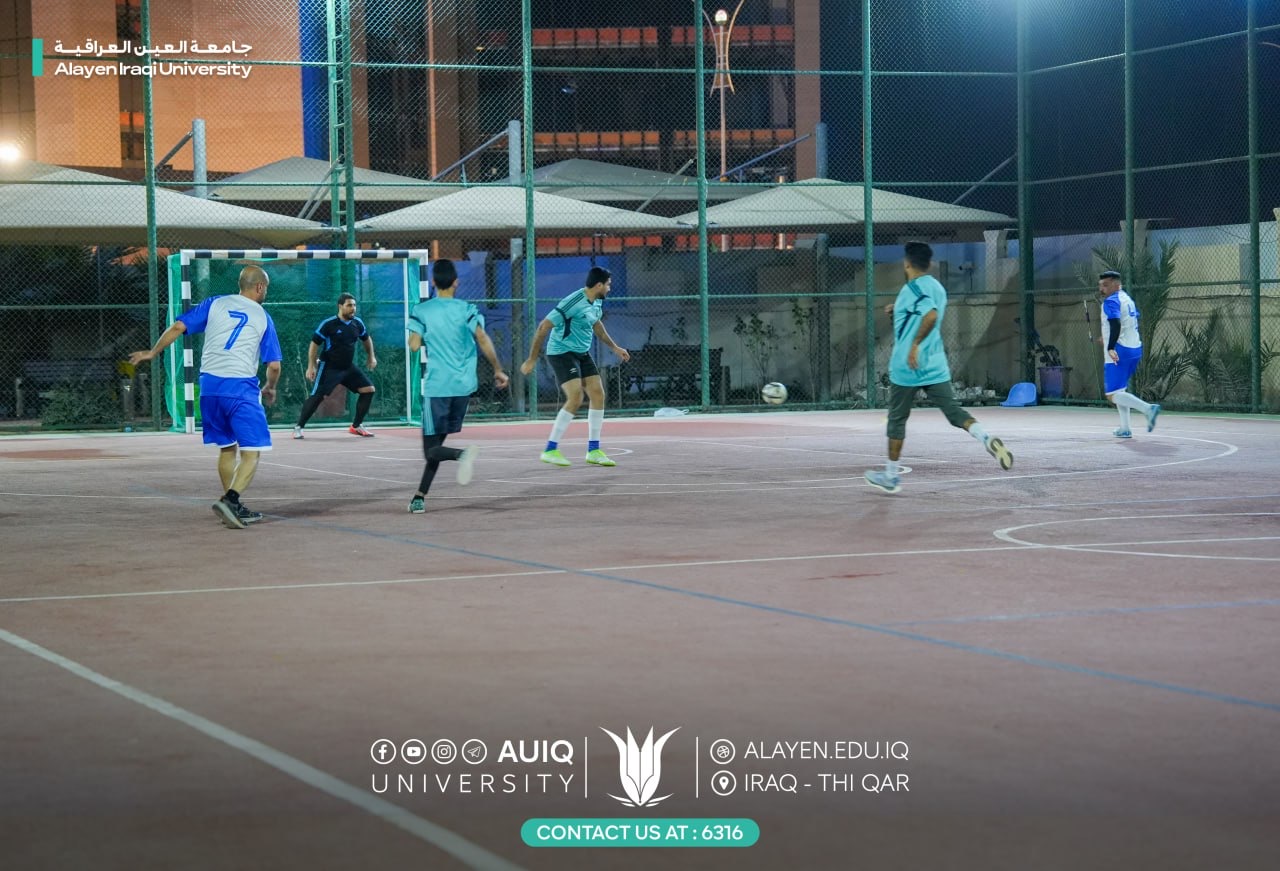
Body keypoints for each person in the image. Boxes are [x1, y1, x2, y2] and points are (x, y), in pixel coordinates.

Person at [129, 264, 282, 529]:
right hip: (240, 388)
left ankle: (232, 505)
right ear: (260, 287)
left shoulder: (215, 303)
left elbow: (178, 326)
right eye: (265, 287)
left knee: (227, 447)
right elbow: (275, 366)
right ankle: (231, 500)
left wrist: (153, 352)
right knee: (252, 451)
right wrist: (270, 386)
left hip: (209, 387)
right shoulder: (263, 316)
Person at [865, 241, 1013, 494]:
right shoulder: (937, 288)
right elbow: (919, 310)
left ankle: (890, 476)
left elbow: (930, 314)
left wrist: (914, 345)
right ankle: (986, 438)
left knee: (897, 420)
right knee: (954, 412)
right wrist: (897, 309)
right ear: (929, 264)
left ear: (907, 263)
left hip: (907, 366)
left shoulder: (912, 287)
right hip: (935, 366)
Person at [404, 259, 509, 513]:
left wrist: (421, 335)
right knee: (437, 447)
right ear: (456, 282)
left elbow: (414, 345)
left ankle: (462, 455)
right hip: (463, 387)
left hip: (438, 387)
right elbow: (482, 337)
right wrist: (497, 369)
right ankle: (419, 497)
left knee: (432, 450)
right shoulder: (467, 309)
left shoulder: (422, 310)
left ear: (433, 282)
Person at [519, 266, 630, 467]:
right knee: (576, 397)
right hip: (561, 353)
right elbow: (543, 327)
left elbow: (596, 324)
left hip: (581, 353)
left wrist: (615, 347)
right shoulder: (572, 303)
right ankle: (550, 450)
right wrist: (532, 359)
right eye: (608, 285)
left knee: (598, 394)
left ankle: (593, 451)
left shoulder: (597, 301)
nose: (609, 288)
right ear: (599, 285)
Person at [292, 292, 378, 438]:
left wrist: (371, 356)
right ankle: (298, 427)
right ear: (340, 306)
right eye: (349, 305)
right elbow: (314, 344)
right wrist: (311, 366)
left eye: (354, 305)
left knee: (368, 390)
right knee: (317, 396)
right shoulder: (328, 324)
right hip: (329, 367)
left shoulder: (357, 323)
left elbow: (366, 338)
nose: (353, 308)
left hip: (348, 367)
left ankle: (356, 426)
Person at [1098, 269, 1160, 438]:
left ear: (1116, 284)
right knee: (1120, 390)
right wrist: (1106, 337)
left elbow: (1116, 324)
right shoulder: (1126, 299)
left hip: (1119, 350)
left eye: (1106, 285)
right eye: (1101, 285)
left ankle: (1148, 409)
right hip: (1134, 348)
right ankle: (1125, 428)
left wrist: (1111, 346)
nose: (1102, 289)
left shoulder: (1111, 301)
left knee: (1112, 395)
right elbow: (1127, 321)